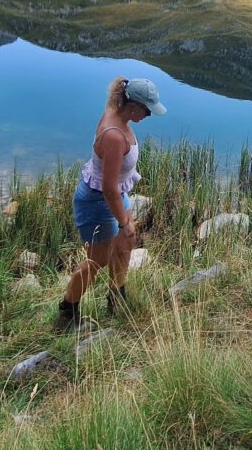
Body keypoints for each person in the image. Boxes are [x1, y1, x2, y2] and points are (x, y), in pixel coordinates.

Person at [55, 76, 166, 330]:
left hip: (114, 194)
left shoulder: (118, 111)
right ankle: (67, 312)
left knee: (126, 243)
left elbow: (115, 186)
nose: (148, 116)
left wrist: (125, 225)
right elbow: (108, 188)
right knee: (97, 261)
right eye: (147, 110)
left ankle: (116, 297)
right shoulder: (114, 136)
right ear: (134, 106)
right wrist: (123, 220)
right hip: (97, 201)